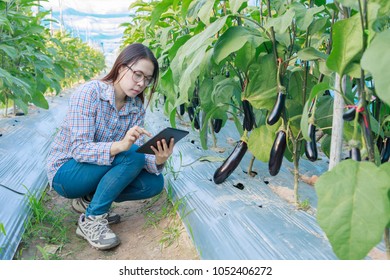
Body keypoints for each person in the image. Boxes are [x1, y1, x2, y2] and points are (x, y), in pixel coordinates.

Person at [46, 43, 174, 250]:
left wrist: (159, 159)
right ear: (122, 67)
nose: (141, 84)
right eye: (138, 75)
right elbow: (79, 149)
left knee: (154, 183)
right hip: (66, 173)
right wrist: (121, 145)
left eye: (147, 80)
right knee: (130, 153)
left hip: (95, 171)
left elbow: (138, 154)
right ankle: (92, 219)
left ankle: (88, 200)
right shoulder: (90, 93)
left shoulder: (136, 108)